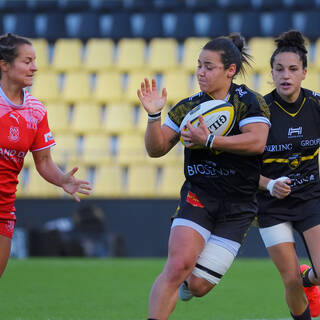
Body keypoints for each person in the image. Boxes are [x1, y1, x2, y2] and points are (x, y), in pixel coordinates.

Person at [137, 33, 270, 320]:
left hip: (238, 207)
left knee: (197, 286)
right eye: (199, 65)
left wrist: (209, 140)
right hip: (200, 196)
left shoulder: (250, 102)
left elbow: (256, 142)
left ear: (230, 70)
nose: (200, 72)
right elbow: (156, 149)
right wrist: (153, 117)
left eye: (209, 67)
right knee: (176, 266)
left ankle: (189, 285)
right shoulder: (188, 106)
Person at [0, 33, 91, 277]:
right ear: (5, 64)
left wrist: (62, 180)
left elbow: (43, 162)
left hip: (4, 207)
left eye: (35, 61)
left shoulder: (36, 110)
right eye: (27, 61)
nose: (35, 67)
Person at [257, 30, 320, 320]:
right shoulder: (259, 111)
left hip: (310, 198)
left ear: (304, 73)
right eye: (279, 69)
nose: (286, 75)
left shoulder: (316, 105)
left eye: (293, 69)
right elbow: (240, 170)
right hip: (271, 205)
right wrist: (269, 185)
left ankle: (311, 280)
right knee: (290, 279)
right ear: (271, 72)